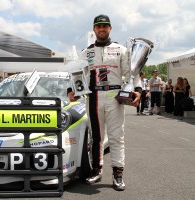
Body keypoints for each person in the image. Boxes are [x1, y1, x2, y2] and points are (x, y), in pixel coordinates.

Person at [79, 14, 140, 191]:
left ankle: (118, 174)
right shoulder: (86, 52)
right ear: (94, 29)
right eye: (98, 26)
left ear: (110, 28)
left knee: (116, 136)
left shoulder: (121, 50)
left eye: (105, 26)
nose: (102, 29)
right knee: (96, 137)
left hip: (114, 96)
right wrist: (71, 90)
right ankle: (96, 170)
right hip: (93, 96)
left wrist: (138, 90)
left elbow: (130, 74)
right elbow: (77, 75)